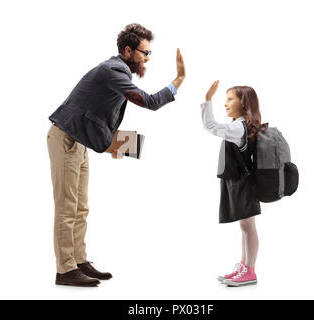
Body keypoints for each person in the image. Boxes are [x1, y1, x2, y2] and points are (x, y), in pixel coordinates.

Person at [47, 23, 186, 287]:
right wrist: (178, 80)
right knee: (67, 208)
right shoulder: (114, 71)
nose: (147, 58)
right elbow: (150, 102)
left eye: (149, 53)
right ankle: (65, 270)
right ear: (128, 50)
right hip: (65, 139)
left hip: (79, 141)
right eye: (144, 53)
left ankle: (78, 261)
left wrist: (122, 145)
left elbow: (101, 117)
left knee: (81, 207)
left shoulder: (118, 71)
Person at [200, 81, 268, 286]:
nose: (226, 104)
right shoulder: (240, 125)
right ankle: (244, 266)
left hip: (242, 182)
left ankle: (250, 271)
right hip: (239, 181)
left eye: (230, 99)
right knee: (245, 226)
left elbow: (210, 126)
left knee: (248, 226)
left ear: (244, 102)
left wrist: (207, 100)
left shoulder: (238, 127)